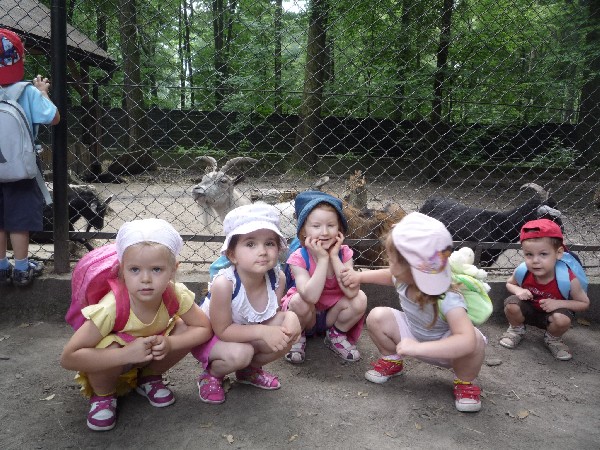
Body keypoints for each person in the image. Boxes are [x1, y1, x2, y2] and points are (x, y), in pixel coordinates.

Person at [60, 218, 213, 431]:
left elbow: (204, 328)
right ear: (122, 269)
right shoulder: (111, 307)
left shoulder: (175, 294)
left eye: (156, 269)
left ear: (173, 270)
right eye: (135, 270)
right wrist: (125, 354)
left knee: (184, 328)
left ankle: (149, 378)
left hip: (148, 355)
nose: (146, 279)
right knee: (108, 345)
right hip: (114, 362)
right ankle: (103, 396)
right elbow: (68, 357)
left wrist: (170, 344)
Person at [340, 212, 486, 413]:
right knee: (377, 317)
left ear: (412, 267)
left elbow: (466, 341)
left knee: (475, 340)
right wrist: (359, 277)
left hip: (448, 349)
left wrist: (418, 349)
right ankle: (392, 361)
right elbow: (389, 275)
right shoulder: (404, 278)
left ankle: (465, 382)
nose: (388, 264)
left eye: (392, 260)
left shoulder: (447, 297)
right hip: (411, 336)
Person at [193, 203, 301, 404]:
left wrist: (290, 316)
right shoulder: (225, 284)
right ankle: (212, 375)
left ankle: (248, 371)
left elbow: (269, 317)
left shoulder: (277, 278)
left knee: (285, 334)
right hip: (212, 339)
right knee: (242, 353)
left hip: (244, 332)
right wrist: (262, 332)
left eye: (269, 243)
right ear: (232, 254)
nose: (262, 251)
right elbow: (223, 330)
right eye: (251, 244)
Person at [0, 28, 60, 287]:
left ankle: (1, 268)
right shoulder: (28, 92)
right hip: (21, 169)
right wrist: (43, 92)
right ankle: (22, 269)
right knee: (19, 220)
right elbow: (53, 117)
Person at [281, 191, 367, 364]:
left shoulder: (344, 254)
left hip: (333, 314)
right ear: (304, 231)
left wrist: (334, 257)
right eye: (316, 226)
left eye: (331, 225)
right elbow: (310, 297)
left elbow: (351, 292)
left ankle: (336, 335)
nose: (325, 232)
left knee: (360, 298)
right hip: (307, 314)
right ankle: (298, 337)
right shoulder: (298, 257)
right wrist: (322, 260)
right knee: (298, 301)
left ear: (339, 229)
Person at [499, 219, 589, 361]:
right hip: (529, 308)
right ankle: (516, 330)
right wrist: (518, 291)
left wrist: (558, 303)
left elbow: (584, 303)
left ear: (558, 253)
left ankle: (553, 339)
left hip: (553, 314)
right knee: (511, 304)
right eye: (529, 254)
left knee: (562, 320)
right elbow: (510, 284)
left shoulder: (567, 278)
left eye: (543, 254)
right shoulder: (523, 270)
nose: (535, 261)